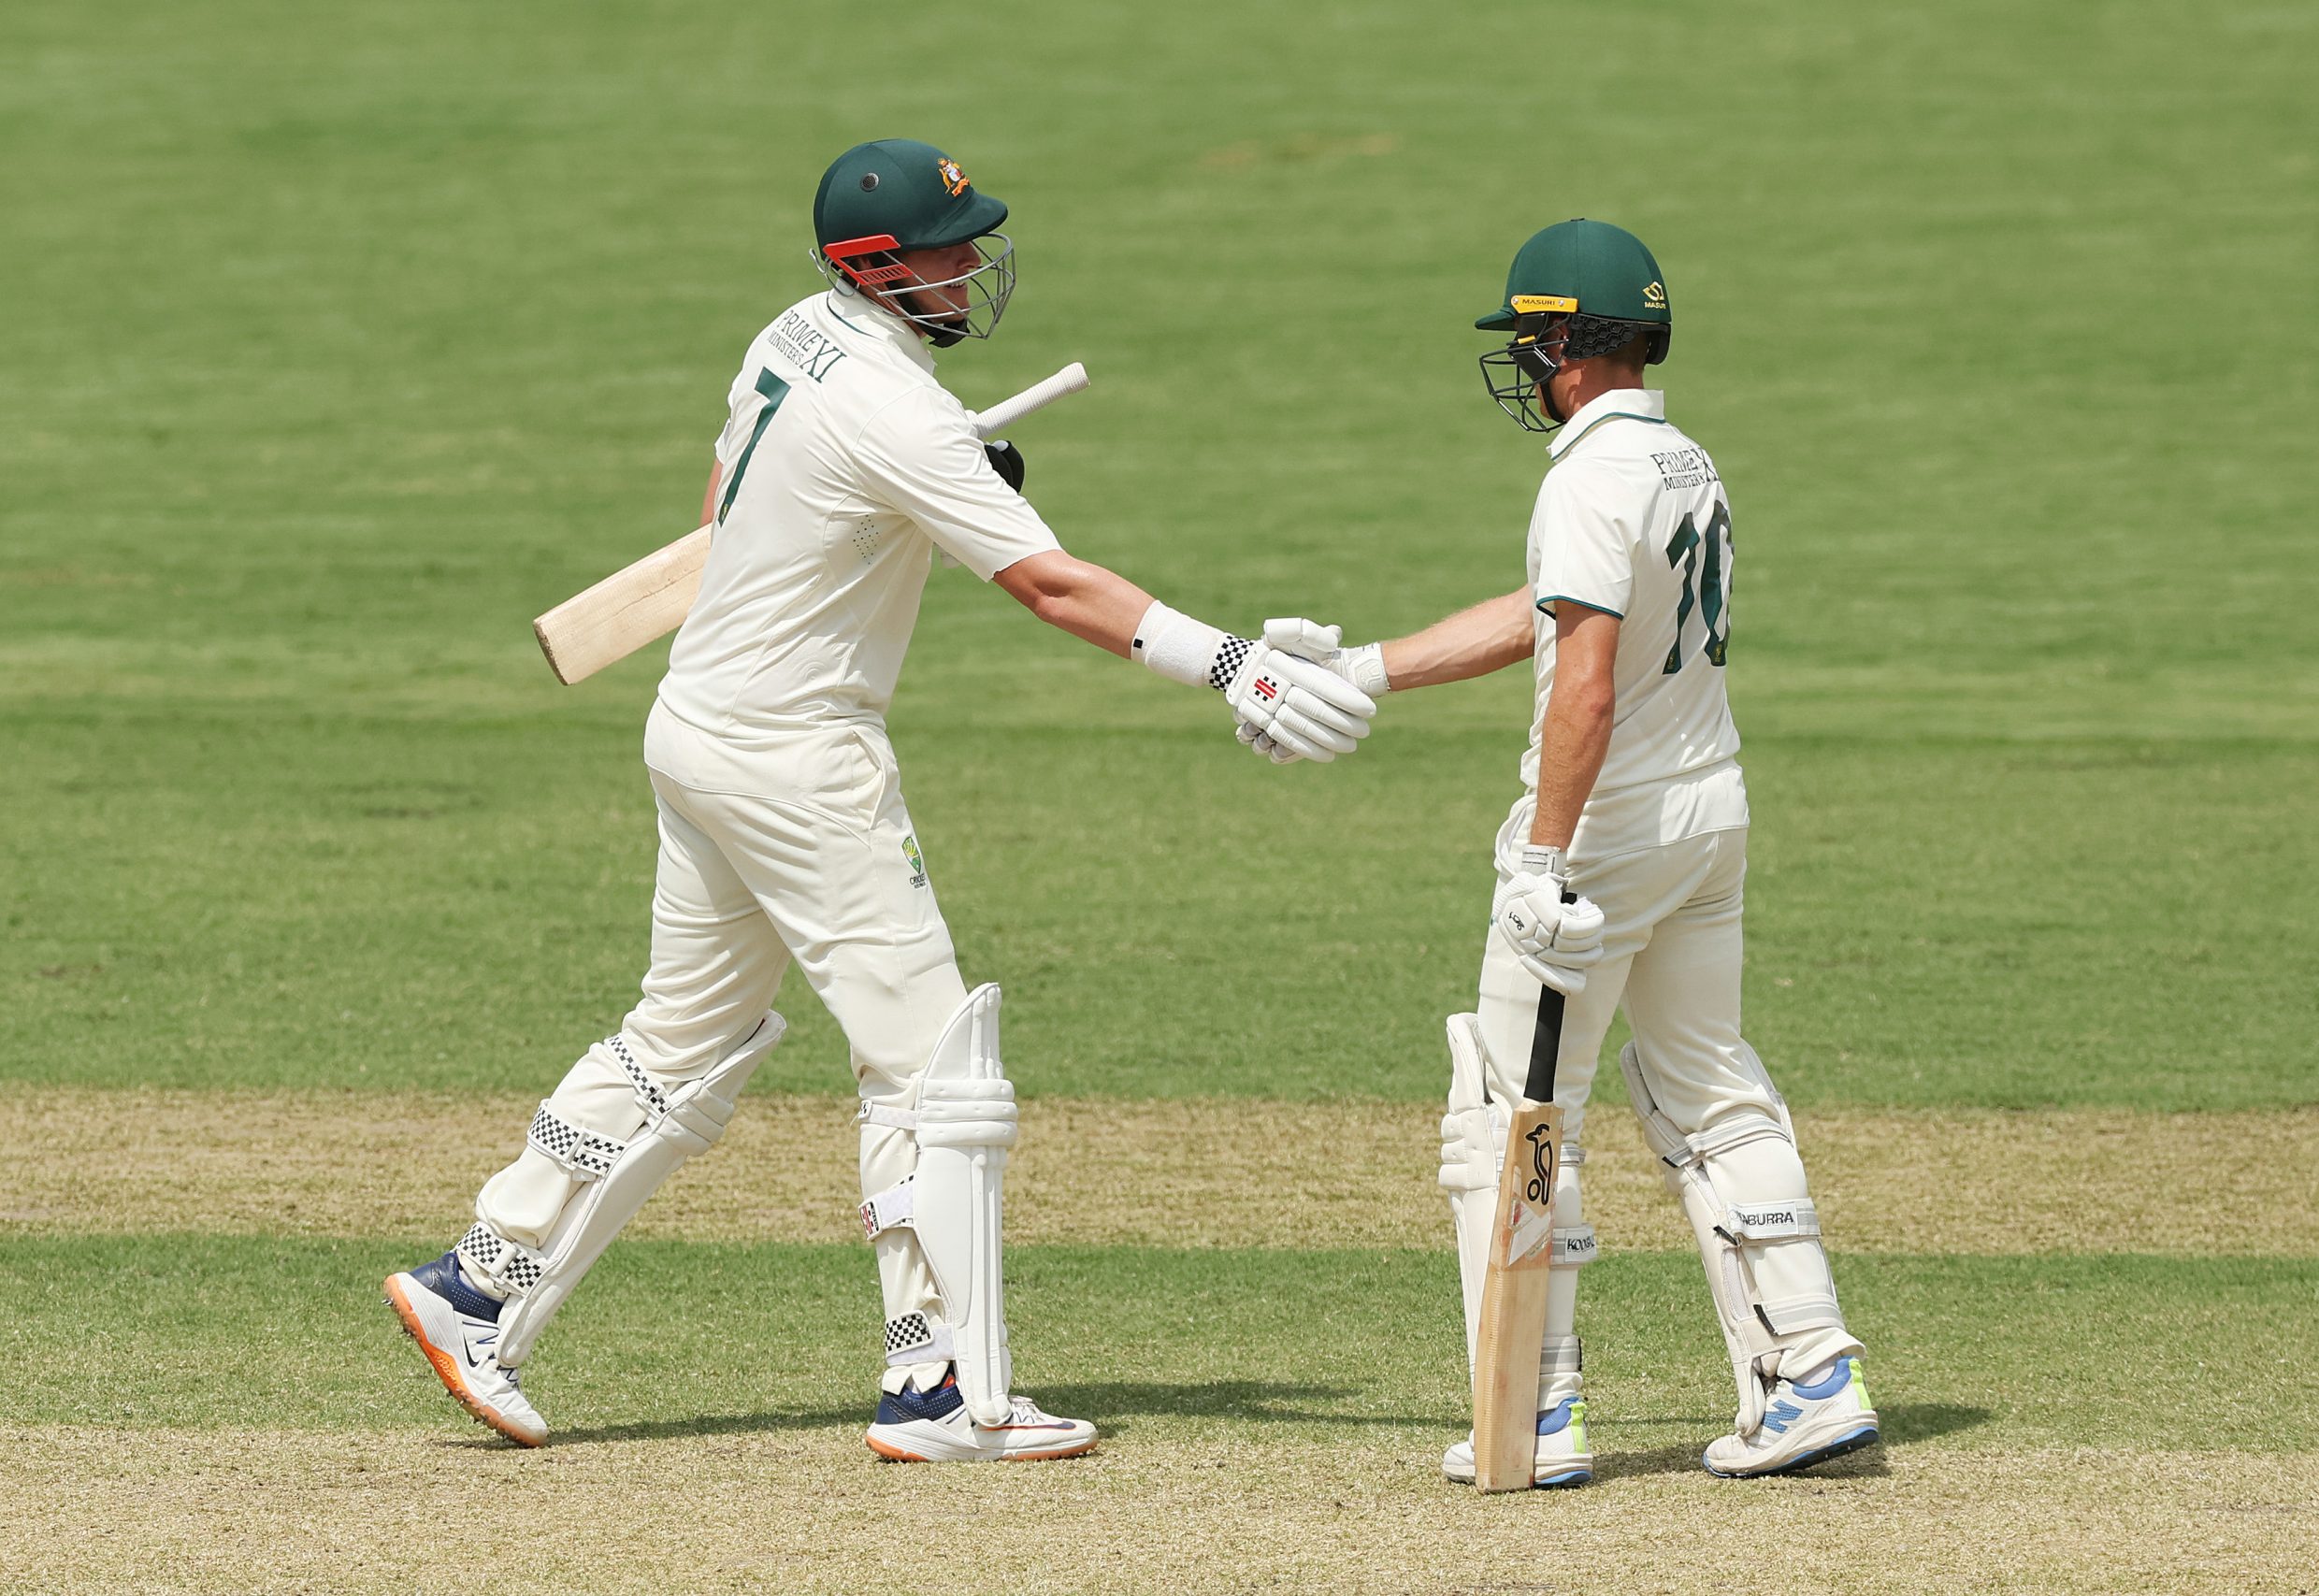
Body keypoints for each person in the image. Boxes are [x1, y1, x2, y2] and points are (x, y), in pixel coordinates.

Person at [382, 137, 1376, 1463]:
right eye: (947, 252)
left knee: (682, 1042)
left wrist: (935, 488)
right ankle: (942, 1387)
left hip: (698, 727)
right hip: (801, 760)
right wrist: (1238, 669)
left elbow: (730, 502)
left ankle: (476, 1281)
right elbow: (1052, 587)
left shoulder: (792, 335)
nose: (972, 268)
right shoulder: (900, 416)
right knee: (930, 1068)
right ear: (877, 267)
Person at [1253, 219, 1878, 1483]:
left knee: (1514, 1114)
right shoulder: (1679, 457)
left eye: (1534, 342)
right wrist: (1365, 668)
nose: (1526, 367)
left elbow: (1581, 684)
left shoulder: (1587, 475)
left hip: (1606, 838)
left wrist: (1542, 860)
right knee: (1708, 1086)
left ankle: (1531, 1412)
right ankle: (1811, 1374)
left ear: (1574, 350)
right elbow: (1549, 613)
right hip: (1709, 819)